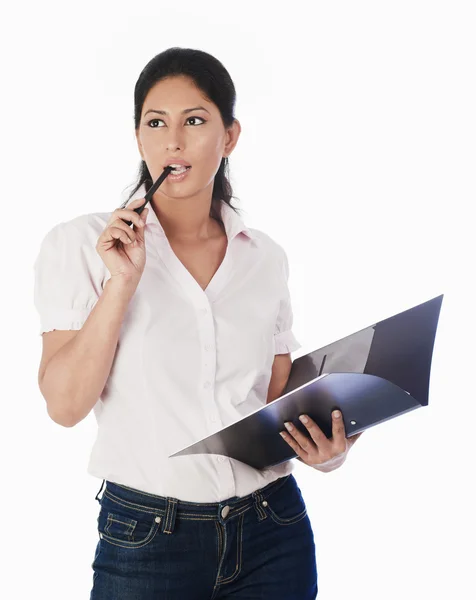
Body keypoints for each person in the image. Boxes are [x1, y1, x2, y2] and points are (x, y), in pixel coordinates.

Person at [34, 47, 361, 600]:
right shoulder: (82, 245)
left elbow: (274, 404)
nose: (174, 141)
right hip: (147, 539)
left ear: (229, 137)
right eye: (156, 122)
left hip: (272, 531)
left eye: (195, 121)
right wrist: (121, 284)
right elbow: (65, 407)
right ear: (138, 137)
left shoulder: (264, 258)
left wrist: (328, 449)